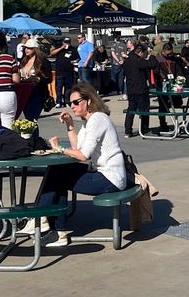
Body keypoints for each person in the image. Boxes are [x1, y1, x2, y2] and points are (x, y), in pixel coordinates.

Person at [34, 83, 128, 246]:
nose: (72, 106)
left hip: (110, 178)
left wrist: (60, 149)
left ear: (89, 101)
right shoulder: (89, 120)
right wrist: (70, 125)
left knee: (59, 176)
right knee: (59, 170)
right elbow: (78, 148)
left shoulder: (98, 119)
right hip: (104, 173)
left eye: (76, 102)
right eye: (70, 103)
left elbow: (83, 156)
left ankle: (43, 218)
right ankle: (48, 222)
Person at [123, 43, 159, 138]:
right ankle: (145, 129)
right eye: (144, 53)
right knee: (144, 110)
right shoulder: (138, 60)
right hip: (140, 89)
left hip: (130, 88)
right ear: (140, 52)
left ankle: (128, 130)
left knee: (131, 109)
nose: (144, 55)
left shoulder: (127, 60)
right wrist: (151, 56)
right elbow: (152, 64)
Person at [19, 40, 52, 122]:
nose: (27, 50)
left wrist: (37, 78)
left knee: (32, 119)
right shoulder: (23, 61)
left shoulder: (43, 61)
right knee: (27, 118)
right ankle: (31, 135)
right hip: (24, 93)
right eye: (25, 48)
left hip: (37, 93)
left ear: (35, 49)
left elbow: (48, 78)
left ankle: (34, 135)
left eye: (29, 48)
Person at [52, 37, 77, 107]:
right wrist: (61, 48)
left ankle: (67, 101)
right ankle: (58, 101)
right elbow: (52, 53)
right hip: (60, 71)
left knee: (68, 87)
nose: (67, 44)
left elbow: (77, 58)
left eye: (68, 42)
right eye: (65, 42)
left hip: (69, 71)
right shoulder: (59, 48)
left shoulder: (73, 49)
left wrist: (74, 61)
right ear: (63, 42)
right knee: (59, 87)